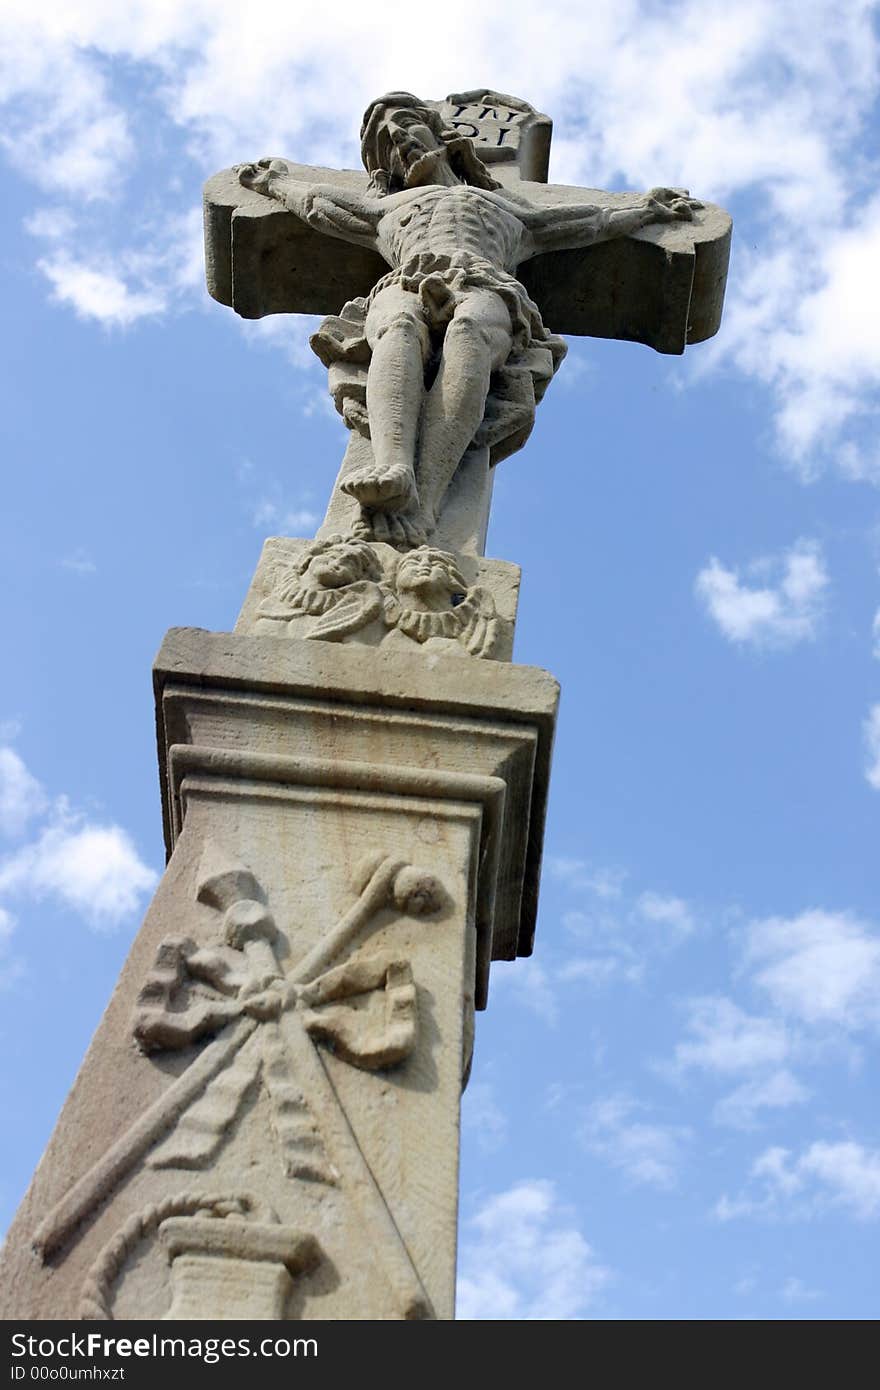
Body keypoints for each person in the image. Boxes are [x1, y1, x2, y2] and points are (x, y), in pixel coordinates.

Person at [239, 93, 700, 541]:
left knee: (469, 330)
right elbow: (320, 205)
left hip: (484, 281)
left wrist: (647, 210)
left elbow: (588, 221)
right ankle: (392, 463)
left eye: (406, 126)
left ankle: (426, 499)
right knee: (398, 327)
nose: (400, 141)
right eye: (386, 143)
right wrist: (274, 184)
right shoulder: (386, 207)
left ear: (443, 136)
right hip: (405, 279)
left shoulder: (509, 207)